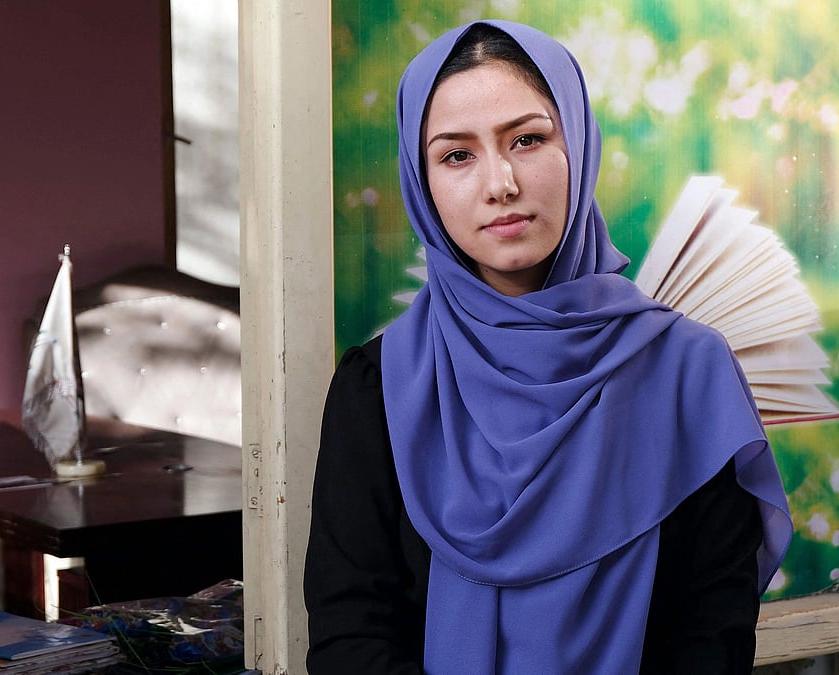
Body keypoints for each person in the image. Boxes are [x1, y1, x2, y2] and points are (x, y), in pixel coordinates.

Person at [304, 19, 793, 674]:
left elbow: (712, 637)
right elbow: (349, 637)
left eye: (527, 139)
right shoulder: (382, 386)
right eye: (457, 156)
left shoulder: (687, 373)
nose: (500, 183)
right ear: (421, 183)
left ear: (579, 145)